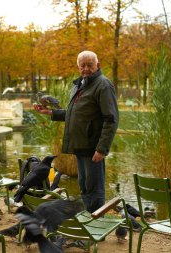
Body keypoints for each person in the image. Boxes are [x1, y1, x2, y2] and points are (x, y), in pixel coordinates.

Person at [33, 50, 119, 212]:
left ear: (98, 65)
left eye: (89, 65)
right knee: (84, 186)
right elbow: (74, 114)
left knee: (94, 189)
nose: (86, 68)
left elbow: (111, 119)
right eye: (82, 65)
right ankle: (87, 221)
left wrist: (102, 149)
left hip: (93, 148)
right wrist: (51, 112)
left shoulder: (103, 85)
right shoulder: (79, 85)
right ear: (78, 67)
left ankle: (95, 227)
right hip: (80, 146)